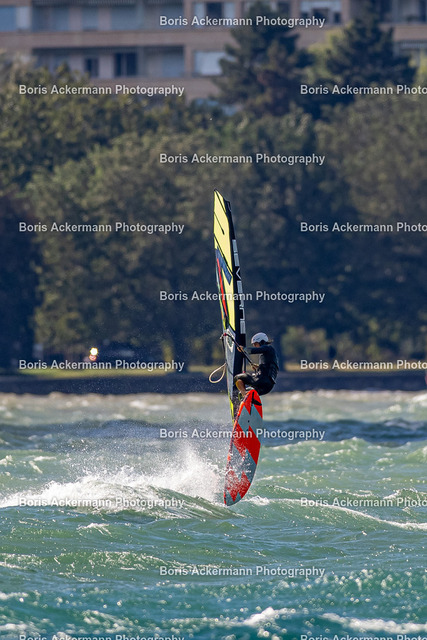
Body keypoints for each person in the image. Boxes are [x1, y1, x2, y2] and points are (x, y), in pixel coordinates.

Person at [234, 332, 279, 398]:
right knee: (247, 392)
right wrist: (258, 367)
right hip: (268, 387)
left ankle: (245, 396)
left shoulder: (268, 348)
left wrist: (244, 349)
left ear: (262, 342)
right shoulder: (271, 354)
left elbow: (253, 350)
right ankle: (247, 399)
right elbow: (269, 368)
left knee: (237, 378)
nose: (254, 346)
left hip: (261, 381)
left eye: (255, 344)